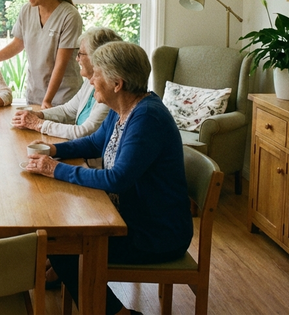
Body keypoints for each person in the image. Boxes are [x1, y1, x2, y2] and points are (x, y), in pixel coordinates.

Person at [23, 41, 193, 315]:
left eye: (96, 74)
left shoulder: (147, 118)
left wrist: (55, 169)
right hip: (133, 219)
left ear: (118, 83)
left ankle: (120, 313)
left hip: (156, 234)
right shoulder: (125, 109)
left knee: (63, 245)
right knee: (59, 240)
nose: (90, 79)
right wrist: (51, 151)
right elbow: (92, 143)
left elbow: (116, 179)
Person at [0, 0, 83, 108]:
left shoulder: (69, 16)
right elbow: (18, 44)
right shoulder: (27, 11)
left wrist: (47, 100)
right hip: (35, 96)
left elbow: (60, 64)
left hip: (62, 98)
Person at [11, 27, 121, 140]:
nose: (76, 59)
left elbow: (84, 132)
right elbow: (67, 110)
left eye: (80, 54)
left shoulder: (110, 90)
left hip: (87, 155)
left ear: (97, 57)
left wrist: (38, 124)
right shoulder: (90, 82)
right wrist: (38, 115)